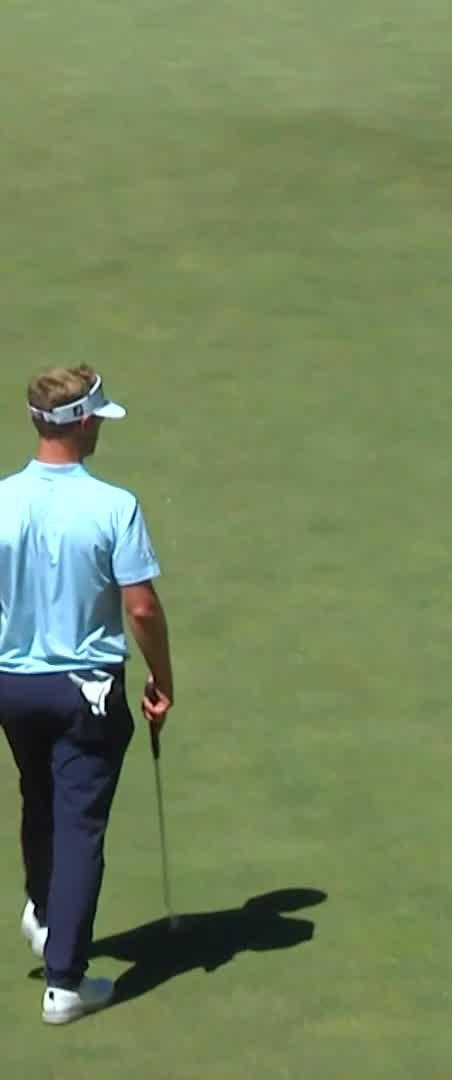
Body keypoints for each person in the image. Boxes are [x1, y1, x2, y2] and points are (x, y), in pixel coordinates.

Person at [0, 366, 173, 1024]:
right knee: (79, 823)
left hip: (13, 687)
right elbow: (142, 609)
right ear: (80, 423)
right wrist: (163, 679)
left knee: (39, 793)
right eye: (97, 416)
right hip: (86, 692)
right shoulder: (112, 505)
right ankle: (65, 984)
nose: (101, 424)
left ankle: (46, 913)